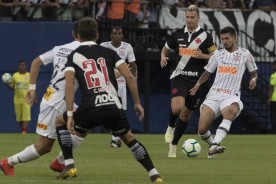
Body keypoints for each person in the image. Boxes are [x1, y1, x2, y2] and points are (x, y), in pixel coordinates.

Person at [55, 17, 162, 183]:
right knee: (130, 139)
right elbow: (129, 76)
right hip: (112, 105)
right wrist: (137, 103)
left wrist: (69, 114)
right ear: (97, 35)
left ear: (78, 35)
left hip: (90, 107)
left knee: (59, 121)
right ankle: (154, 174)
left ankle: (69, 164)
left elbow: (69, 86)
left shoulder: (73, 56)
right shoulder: (110, 53)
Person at [0, 21, 84, 176]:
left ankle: (60, 162)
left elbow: (36, 62)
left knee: (85, 124)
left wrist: (32, 89)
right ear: (95, 35)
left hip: (59, 97)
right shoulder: (86, 52)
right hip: (56, 101)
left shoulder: (60, 48)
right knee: (44, 146)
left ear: (74, 34)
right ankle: (7, 162)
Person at [189, 26, 258, 158]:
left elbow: (254, 73)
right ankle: (212, 146)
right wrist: (197, 84)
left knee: (230, 111)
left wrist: (253, 79)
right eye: (222, 39)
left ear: (234, 38)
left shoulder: (245, 54)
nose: (224, 41)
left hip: (231, 95)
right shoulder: (217, 54)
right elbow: (207, 73)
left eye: (227, 38)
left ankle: (215, 145)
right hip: (214, 95)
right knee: (202, 130)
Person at [160, 4, 217, 158]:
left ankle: (173, 145)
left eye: (193, 17)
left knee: (185, 116)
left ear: (198, 18)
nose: (190, 20)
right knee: (178, 108)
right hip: (179, 75)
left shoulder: (206, 37)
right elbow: (165, 48)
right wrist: (163, 57)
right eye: (187, 17)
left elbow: (217, 56)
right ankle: (170, 126)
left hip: (196, 80)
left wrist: (203, 56)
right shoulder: (178, 35)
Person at [100, 27, 137, 148]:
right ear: (111, 35)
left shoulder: (127, 47)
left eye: (119, 34)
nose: (117, 36)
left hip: (121, 84)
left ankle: (115, 139)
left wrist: (133, 78)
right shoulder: (103, 46)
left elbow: (132, 64)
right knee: (107, 110)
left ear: (122, 35)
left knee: (120, 110)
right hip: (106, 83)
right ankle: (116, 137)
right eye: (114, 33)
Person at [5, 60, 30, 134]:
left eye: (23, 65)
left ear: (25, 66)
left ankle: (24, 131)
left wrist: (33, 97)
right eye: (20, 65)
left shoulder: (29, 75)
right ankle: (22, 129)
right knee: (19, 117)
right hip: (17, 99)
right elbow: (13, 87)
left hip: (26, 99)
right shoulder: (15, 75)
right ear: (18, 66)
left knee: (26, 116)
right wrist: (7, 84)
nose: (22, 66)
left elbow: (32, 87)